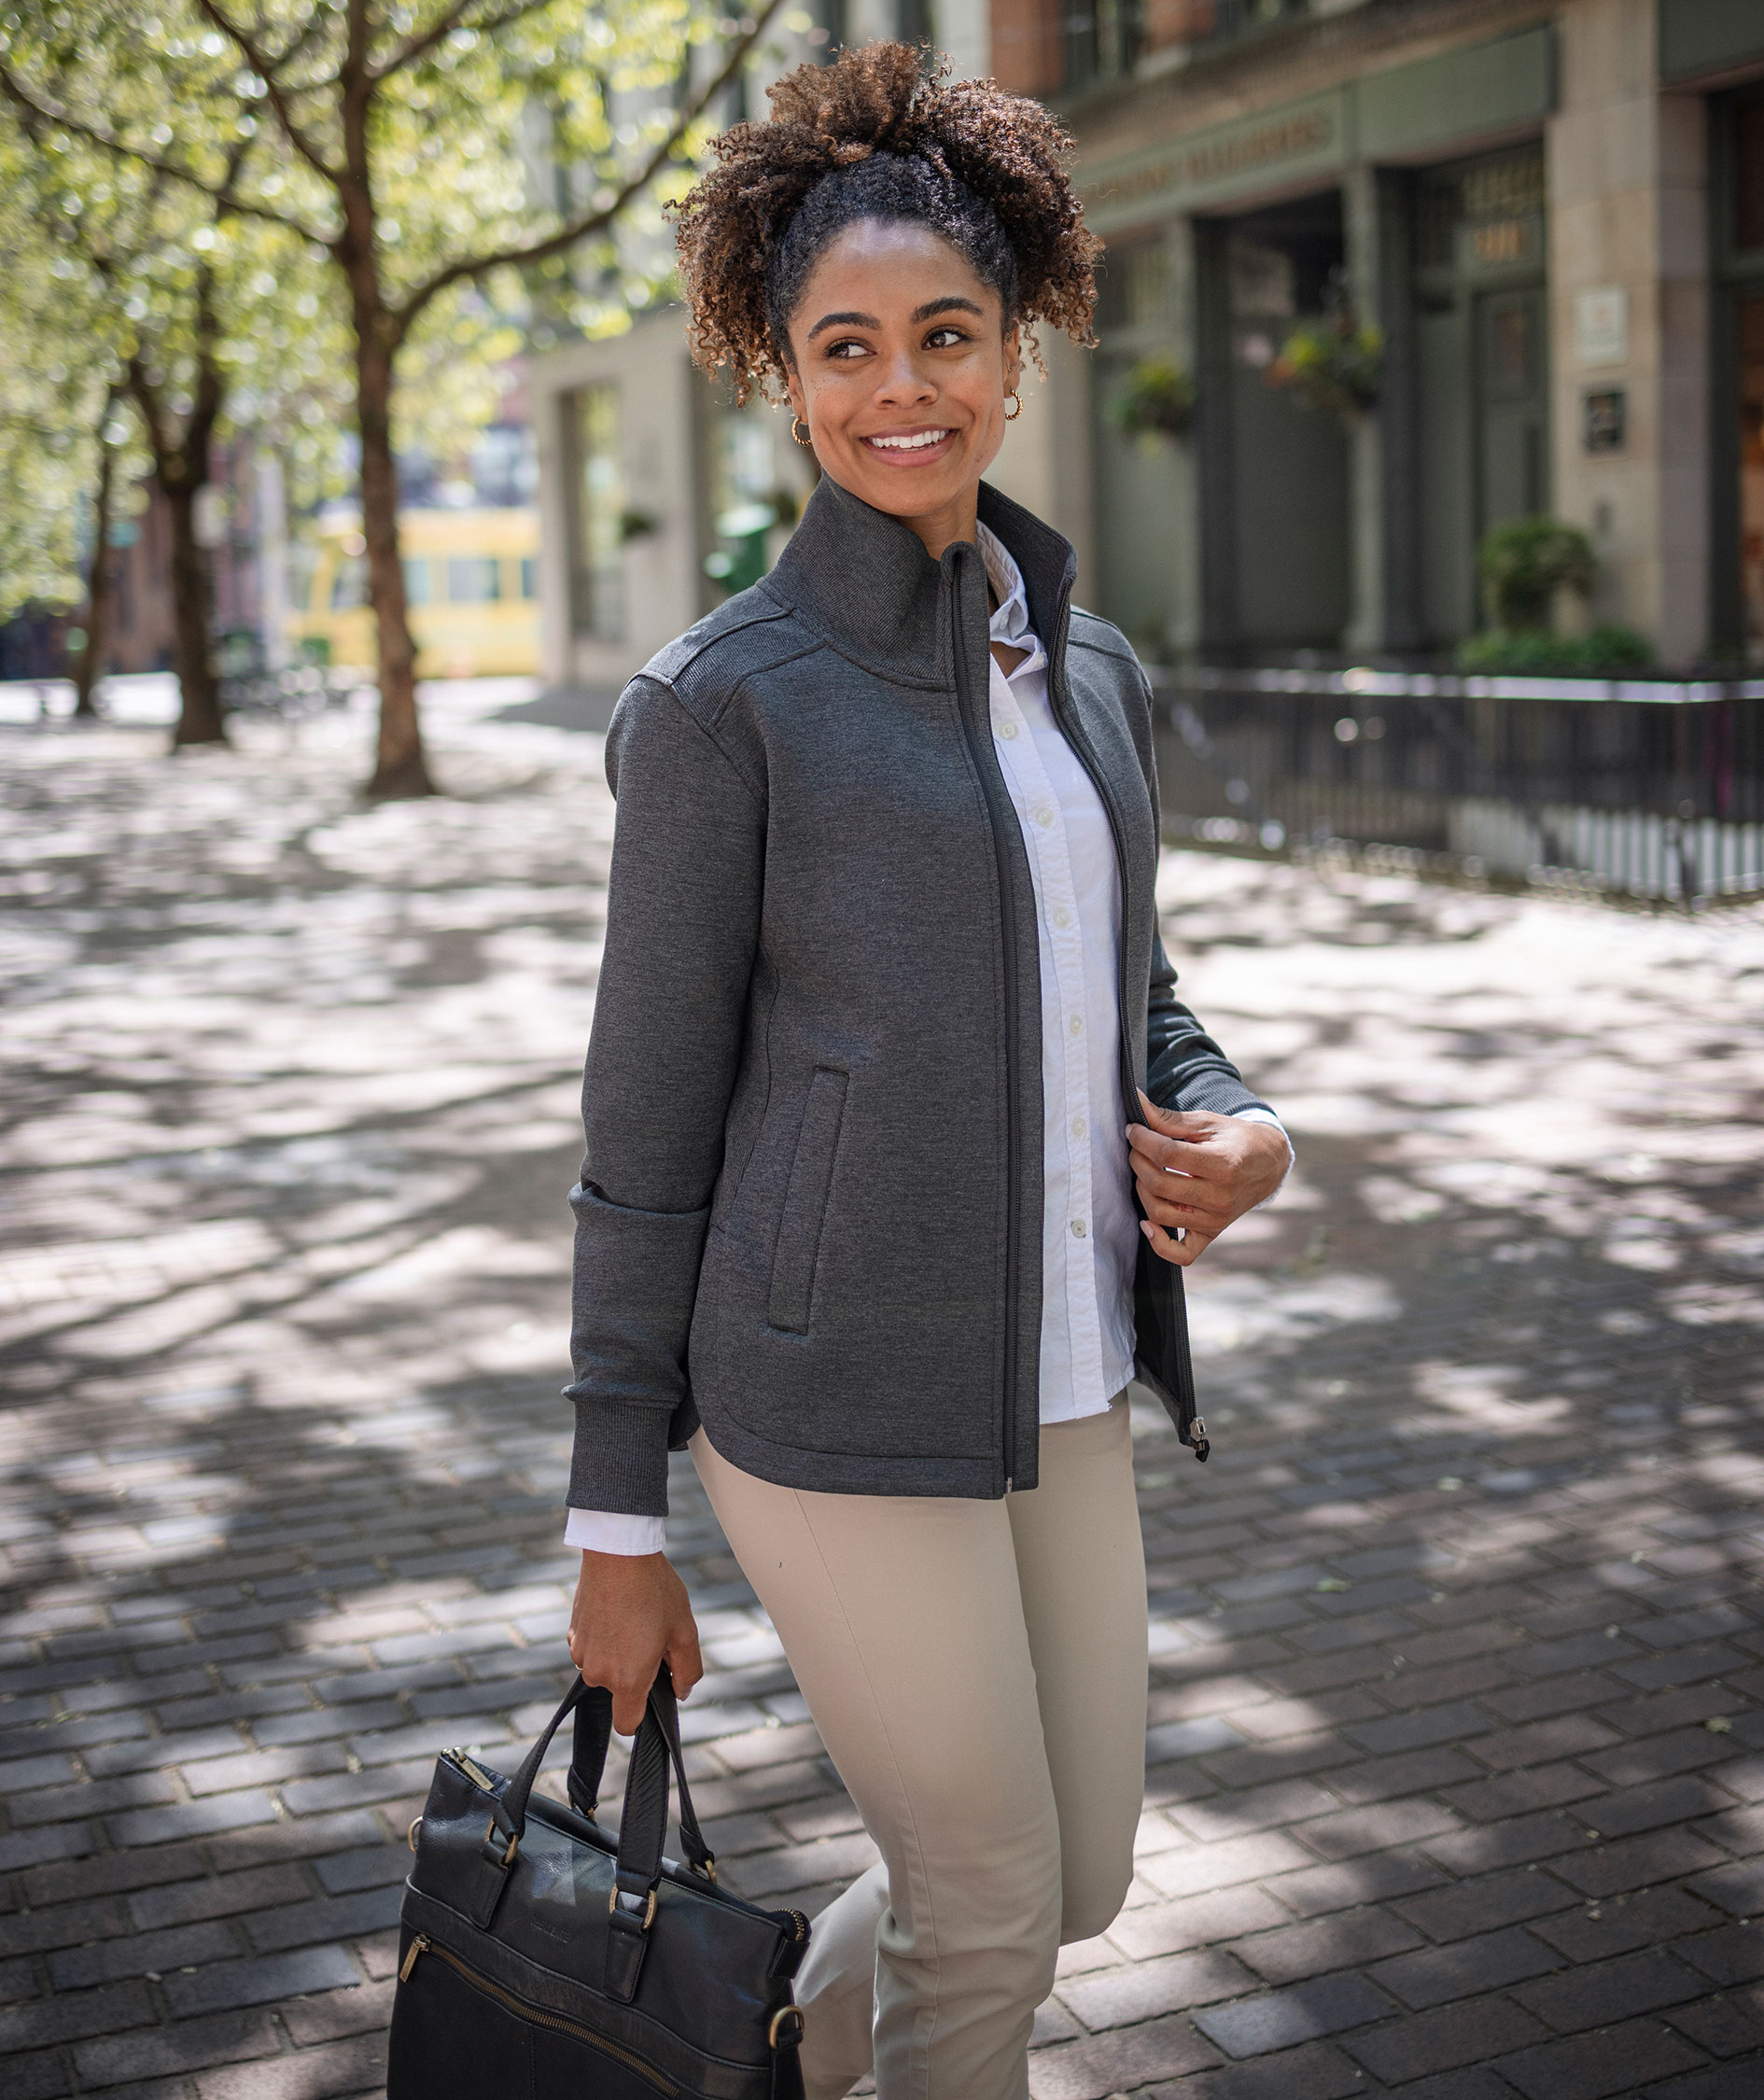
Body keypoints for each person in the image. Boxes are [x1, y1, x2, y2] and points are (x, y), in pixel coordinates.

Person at [560, 44, 1291, 2100]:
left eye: (945, 336)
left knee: (1077, 1882)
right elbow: (640, 1133)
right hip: (827, 1400)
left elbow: (1133, 993)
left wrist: (1246, 1124)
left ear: (1020, 346)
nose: (903, 388)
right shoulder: (725, 709)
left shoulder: (1089, 669)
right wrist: (617, 1521)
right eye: (847, 345)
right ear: (782, 375)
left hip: (1060, 1367)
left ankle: (774, 2046)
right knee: (984, 1902)